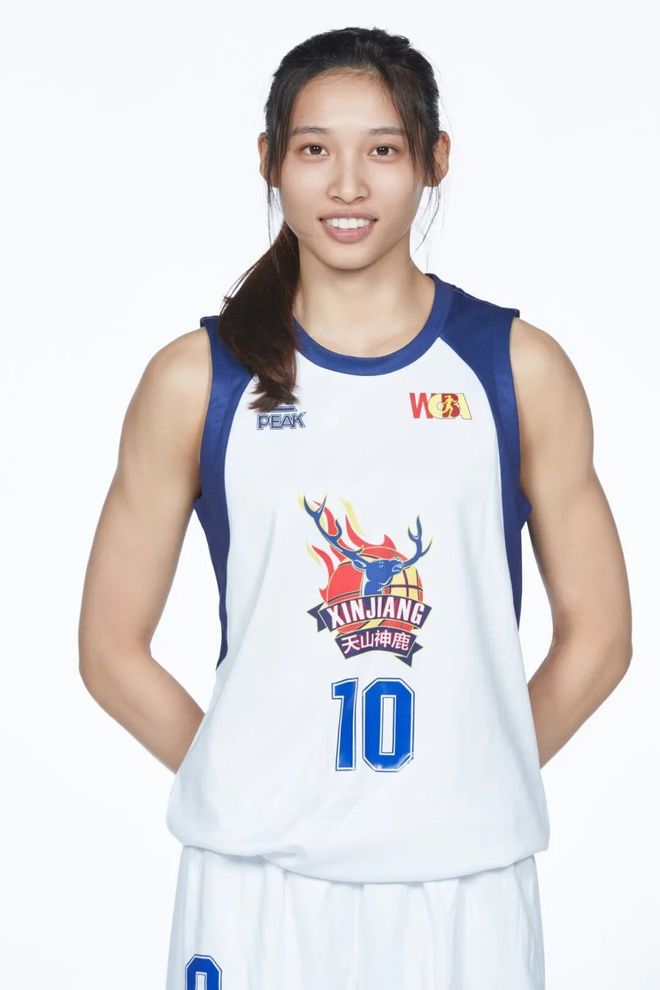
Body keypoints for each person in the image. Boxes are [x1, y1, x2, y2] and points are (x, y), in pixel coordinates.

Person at [78, 25, 633, 990]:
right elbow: (108, 649)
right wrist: (246, 780)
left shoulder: (516, 368)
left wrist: (472, 773)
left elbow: (602, 637)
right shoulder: (197, 380)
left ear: (433, 160)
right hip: (257, 886)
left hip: (460, 884)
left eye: (382, 149)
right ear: (269, 160)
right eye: (313, 149)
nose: (346, 185)